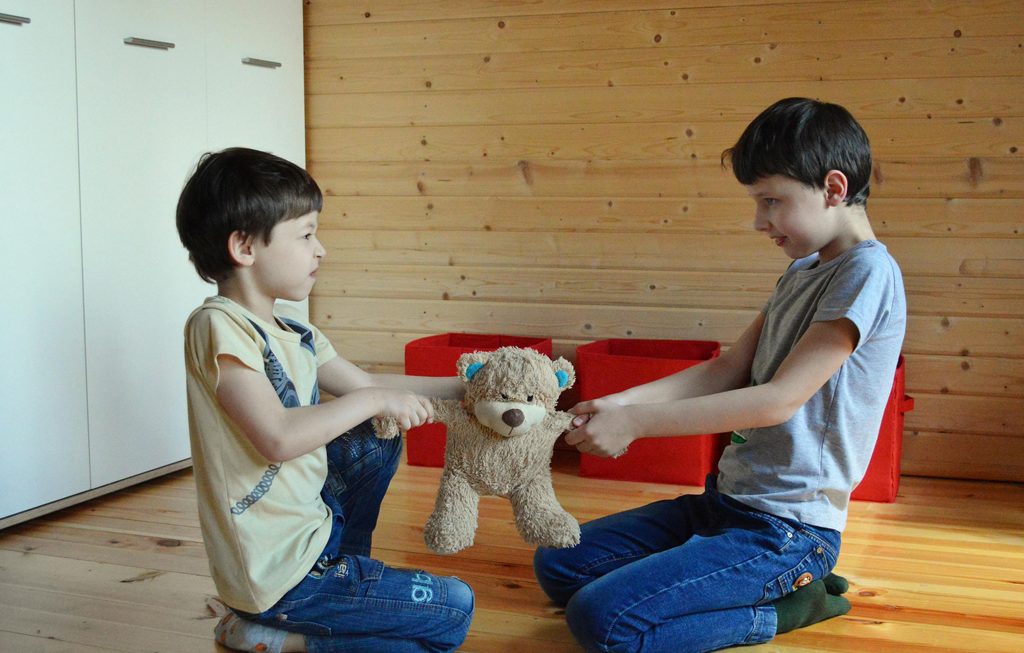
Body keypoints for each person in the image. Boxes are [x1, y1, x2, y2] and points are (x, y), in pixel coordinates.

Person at [534, 97, 907, 652]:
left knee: (602, 620)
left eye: (771, 201)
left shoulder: (869, 271)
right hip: (725, 503)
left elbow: (778, 400)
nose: (759, 221)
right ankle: (733, 581)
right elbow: (728, 368)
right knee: (558, 561)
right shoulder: (801, 271)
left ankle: (786, 606)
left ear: (833, 188)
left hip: (789, 530)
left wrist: (638, 425)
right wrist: (621, 404)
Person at [176, 147, 474, 653]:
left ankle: (343, 579)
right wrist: (376, 399)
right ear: (244, 247)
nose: (321, 250)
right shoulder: (218, 325)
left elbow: (366, 383)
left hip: (315, 532)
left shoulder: (294, 330)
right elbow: (277, 437)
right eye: (306, 235)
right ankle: (275, 635)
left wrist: (468, 390)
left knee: (375, 437)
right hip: (275, 575)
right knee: (454, 610)